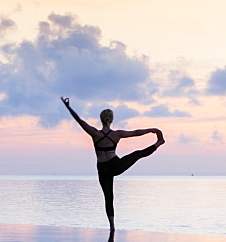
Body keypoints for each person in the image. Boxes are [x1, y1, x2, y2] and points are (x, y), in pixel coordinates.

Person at [61, 97, 164, 230]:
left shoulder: (94, 134)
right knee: (137, 154)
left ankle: (112, 226)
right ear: (111, 119)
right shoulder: (116, 134)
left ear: (101, 119)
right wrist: (151, 130)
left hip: (103, 168)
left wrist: (68, 107)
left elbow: (79, 121)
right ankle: (159, 143)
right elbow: (135, 133)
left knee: (108, 197)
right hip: (116, 165)